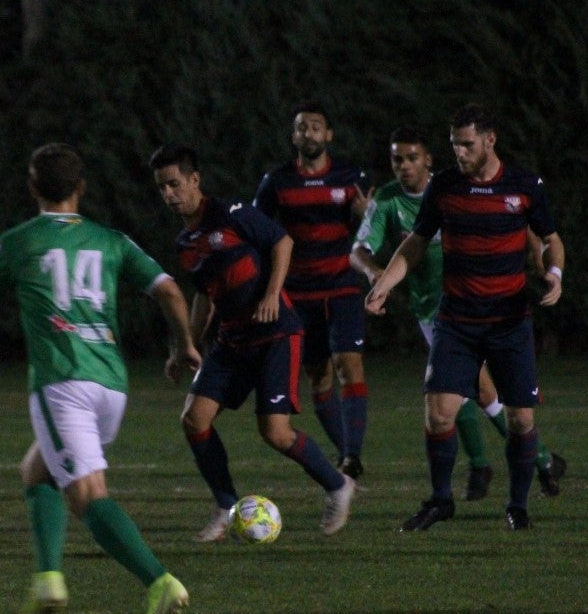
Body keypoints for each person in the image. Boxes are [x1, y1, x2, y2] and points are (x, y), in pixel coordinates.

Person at [0, 143, 197, 614]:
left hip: (63, 382)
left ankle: (160, 582)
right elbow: (169, 289)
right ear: (81, 187)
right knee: (37, 471)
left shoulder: (18, 241)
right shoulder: (112, 240)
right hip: (111, 384)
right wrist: (183, 345)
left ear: (32, 186)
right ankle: (47, 580)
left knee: (86, 494)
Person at [365, 104, 565, 531]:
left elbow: (550, 239)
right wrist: (384, 283)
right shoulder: (445, 187)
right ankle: (440, 500)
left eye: (467, 144)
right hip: (456, 321)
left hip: (509, 321)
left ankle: (517, 506)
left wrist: (554, 274)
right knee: (438, 413)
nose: (460, 153)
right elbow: (416, 243)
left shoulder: (524, 185)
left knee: (521, 418)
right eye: (455, 145)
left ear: (490, 140)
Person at [149, 143, 355, 543]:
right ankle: (225, 507)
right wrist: (186, 345)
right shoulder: (186, 242)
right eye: (161, 188)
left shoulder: (232, 214)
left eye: (174, 184)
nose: (168, 194)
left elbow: (282, 242)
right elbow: (205, 296)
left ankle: (338, 485)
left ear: (195, 179)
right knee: (194, 419)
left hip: (276, 332)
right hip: (232, 340)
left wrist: (272, 294)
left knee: (275, 432)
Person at [252, 101, 371, 478]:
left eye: (316, 127)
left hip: (342, 286)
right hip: (299, 292)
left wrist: (366, 216)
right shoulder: (278, 181)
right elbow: (259, 230)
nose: (309, 134)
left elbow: (371, 234)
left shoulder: (351, 179)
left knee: (348, 365)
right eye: (302, 128)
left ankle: (352, 455)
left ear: (329, 135)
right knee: (318, 375)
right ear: (294, 136)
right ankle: (344, 452)